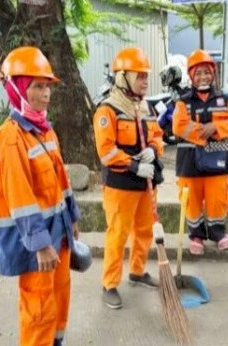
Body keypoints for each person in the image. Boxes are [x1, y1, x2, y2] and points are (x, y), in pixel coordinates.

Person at [0, 46, 83, 346]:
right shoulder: (12, 137)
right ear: (16, 89)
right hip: (36, 240)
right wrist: (40, 244)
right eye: (37, 86)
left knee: (59, 293)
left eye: (47, 86)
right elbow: (20, 197)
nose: (46, 93)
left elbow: (60, 179)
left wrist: (73, 218)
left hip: (59, 231)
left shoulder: (44, 129)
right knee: (38, 302)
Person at [92, 47, 165, 309]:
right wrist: (134, 165)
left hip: (146, 184)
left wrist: (153, 150)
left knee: (144, 231)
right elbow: (106, 152)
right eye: (140, 76)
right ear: (123, 77)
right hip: (121, 184)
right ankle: (109, 284)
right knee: (118, 234)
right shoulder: (107, 110)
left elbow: (157, 137)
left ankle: (137, 271)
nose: (145, 81)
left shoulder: (146, 108)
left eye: (146, 76)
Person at [172, 49, 228, 255]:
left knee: (218, 197)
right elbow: (178, 126)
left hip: (217, 158)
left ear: (213, 74)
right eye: (198, 73)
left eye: (207, 72)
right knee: (191, 198)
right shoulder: (182, 102)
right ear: (191, 76)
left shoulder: (224, 100)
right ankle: (196, 235)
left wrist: (216, 128)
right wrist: (204, 132)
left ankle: (218, 234)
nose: (203, 77)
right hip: (189, 161)